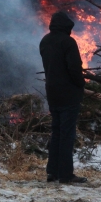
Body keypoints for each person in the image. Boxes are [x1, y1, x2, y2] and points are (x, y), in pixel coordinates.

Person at [40, 12, 87, 184]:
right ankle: (66, 174)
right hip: (69, 93)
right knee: (67, 133)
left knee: (57, 132)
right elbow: (75, 68)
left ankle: (52, 171)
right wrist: (81, 84)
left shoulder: (45, 41)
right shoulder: (68, 42)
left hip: (52, 92)